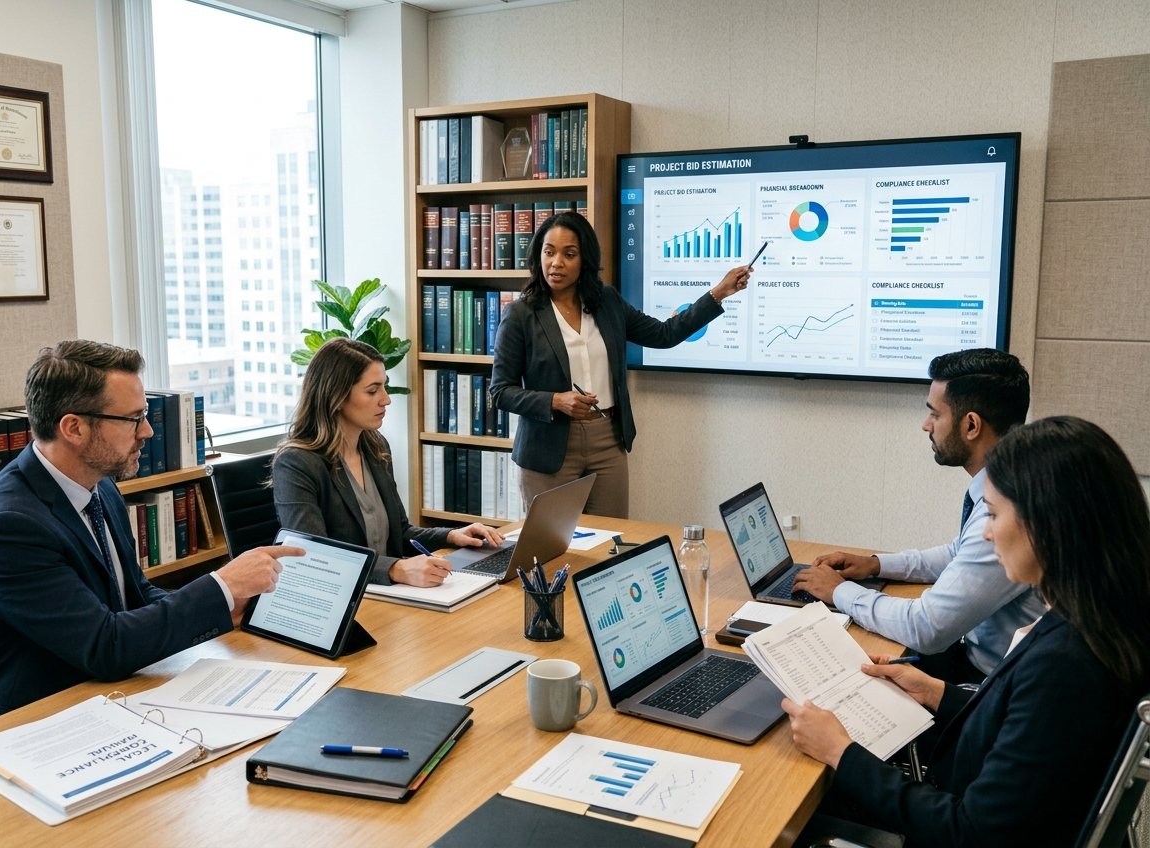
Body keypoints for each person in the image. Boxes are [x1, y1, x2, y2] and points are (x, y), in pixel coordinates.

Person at [783, 416, 1150, 846]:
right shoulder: (1097, 618)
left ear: (1049, 522)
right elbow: (1029, 733)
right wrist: (936, 694)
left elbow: (970, 833)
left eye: (993, 515)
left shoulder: (1068, 664)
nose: (988, 534)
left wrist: (839, 753)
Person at [0, 341, 295, 733]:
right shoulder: (7, 528)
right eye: (133, 419)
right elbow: (105, 646)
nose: (147, 431)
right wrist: (220, 587)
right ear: (74, 427)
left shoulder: (100, 487)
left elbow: (136, 595)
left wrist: (226, 608)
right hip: (23, 722)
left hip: (97, 695)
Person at [793, 348, 1045, 683]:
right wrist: (876, 565)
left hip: (984, 682)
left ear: (971, 425)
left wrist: (839, 592)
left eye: (935, 414)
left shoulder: (1007, 510)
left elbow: (925, 628)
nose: (926, 425)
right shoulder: (1010, 481)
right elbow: (958, 553)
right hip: (975, 662)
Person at [490, 212, 751, 518]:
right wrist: (556, 401)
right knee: (553, 550)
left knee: (610, 547)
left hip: (607, 441)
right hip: (548, 447)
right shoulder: (521, 314)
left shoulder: (607, 302)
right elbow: (500, 391)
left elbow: (664, 334)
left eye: (568, 254)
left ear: (585, 259)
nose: (556, 262)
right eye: (549, 252)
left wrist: (718, 293)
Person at [272, 337, 503, 587]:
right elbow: (314, 557)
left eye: (384, 387)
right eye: (372, 390)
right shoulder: (296, 463)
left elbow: (400, 533)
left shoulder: (375, 446)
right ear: (336, 397)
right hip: (338, 600)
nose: (386, 399)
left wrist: (451, 536)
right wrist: (394, 569)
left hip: (383, 594)